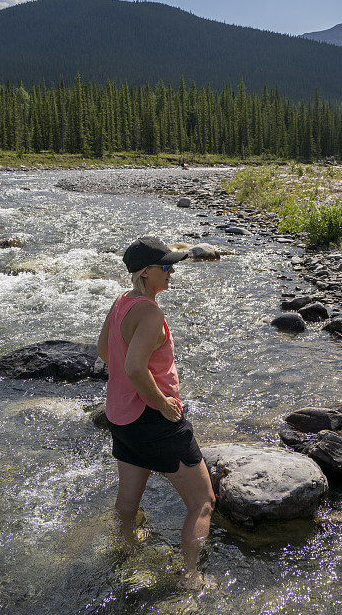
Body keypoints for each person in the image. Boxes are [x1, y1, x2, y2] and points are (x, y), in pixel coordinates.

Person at [97, 236, 216, 588]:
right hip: (154, 420)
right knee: (203, 502)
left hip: (121, 417)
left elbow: (104, 349)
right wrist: (164, 405)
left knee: (127, 505)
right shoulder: (150, 311)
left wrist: (131, 388)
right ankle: (191, 576)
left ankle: (127, 555)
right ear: (147, 273)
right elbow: (135, 367)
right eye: (166, 266)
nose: (172, 270)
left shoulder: (122, 301)